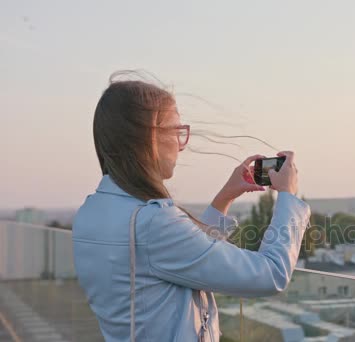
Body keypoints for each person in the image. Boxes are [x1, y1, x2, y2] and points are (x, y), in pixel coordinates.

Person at [72, 74, 311, 342]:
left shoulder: (92, 211)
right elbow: (270, 274)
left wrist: (225, 197)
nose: (181, 145)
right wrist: (289, 197)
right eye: (176, 131)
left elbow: (185, 256)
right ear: (149, 137)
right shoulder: (151, 222)